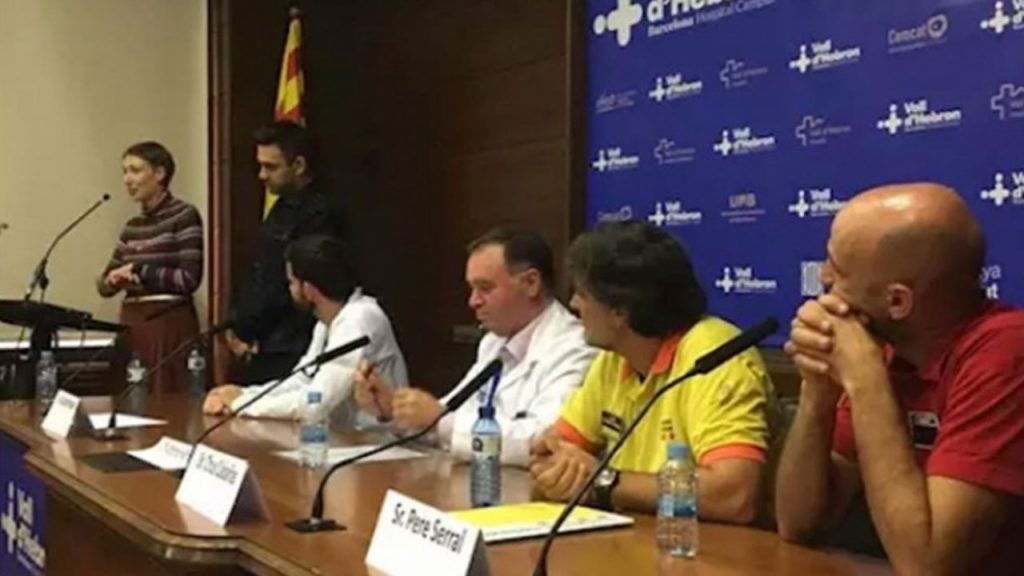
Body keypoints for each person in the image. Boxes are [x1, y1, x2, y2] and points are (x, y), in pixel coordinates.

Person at [776, 183, 1024, 575]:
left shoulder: (1007, 351)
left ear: (896, 301)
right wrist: (817, 392)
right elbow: (798, 523)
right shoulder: (891, 352)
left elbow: (926, 565)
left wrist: (865, 379)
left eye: (836, 268)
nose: (822, 277)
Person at [530, 221, 777, 523]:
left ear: (620, 312)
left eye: (582, 294)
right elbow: (551, 452)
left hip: (706, 545)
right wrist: (557, 465)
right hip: (637, 536)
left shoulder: (715, 359)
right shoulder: (613, 359)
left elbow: (734, 496)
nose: (573, 304)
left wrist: (606, 481)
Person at [353, 228, 596, 466]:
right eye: (472, 288)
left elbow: (546, 441)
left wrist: (440, 421)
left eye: (485, 288)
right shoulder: (493, 342)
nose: (473, 301)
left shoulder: (576, 348)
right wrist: (392, 409)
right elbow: (447, 415)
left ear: (531, 283)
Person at [204, 234, 407, 425]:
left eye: (291, 283)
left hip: (383, 442)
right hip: (347, 439)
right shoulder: (327, 321)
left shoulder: (359, 320)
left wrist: (240, 404)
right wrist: (245, 394)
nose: (289, 290)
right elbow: (302, 380)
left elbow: (316, 403)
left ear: (308, 290)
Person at [226, 121, 347, 384]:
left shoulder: (321, 211)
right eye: (260, 166)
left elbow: (297, 282)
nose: (262, 175)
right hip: (264, 342)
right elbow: (259, 269)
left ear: (299, 165)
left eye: (271, 167)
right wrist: (239, 325)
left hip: (292, 344)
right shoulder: (281, 206)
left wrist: (251, 328)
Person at [97, 141, 203, 396]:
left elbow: (189, 279)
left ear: (159, 173)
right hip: (133, 325)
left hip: (167, 324)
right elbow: (103, 285)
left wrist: (141, 271)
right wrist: (113, 280)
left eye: (135, 170)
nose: (127, 179)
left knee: (165, 400)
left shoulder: (184, 215)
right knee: (131, 400)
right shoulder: (132, 226)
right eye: (124, 171)